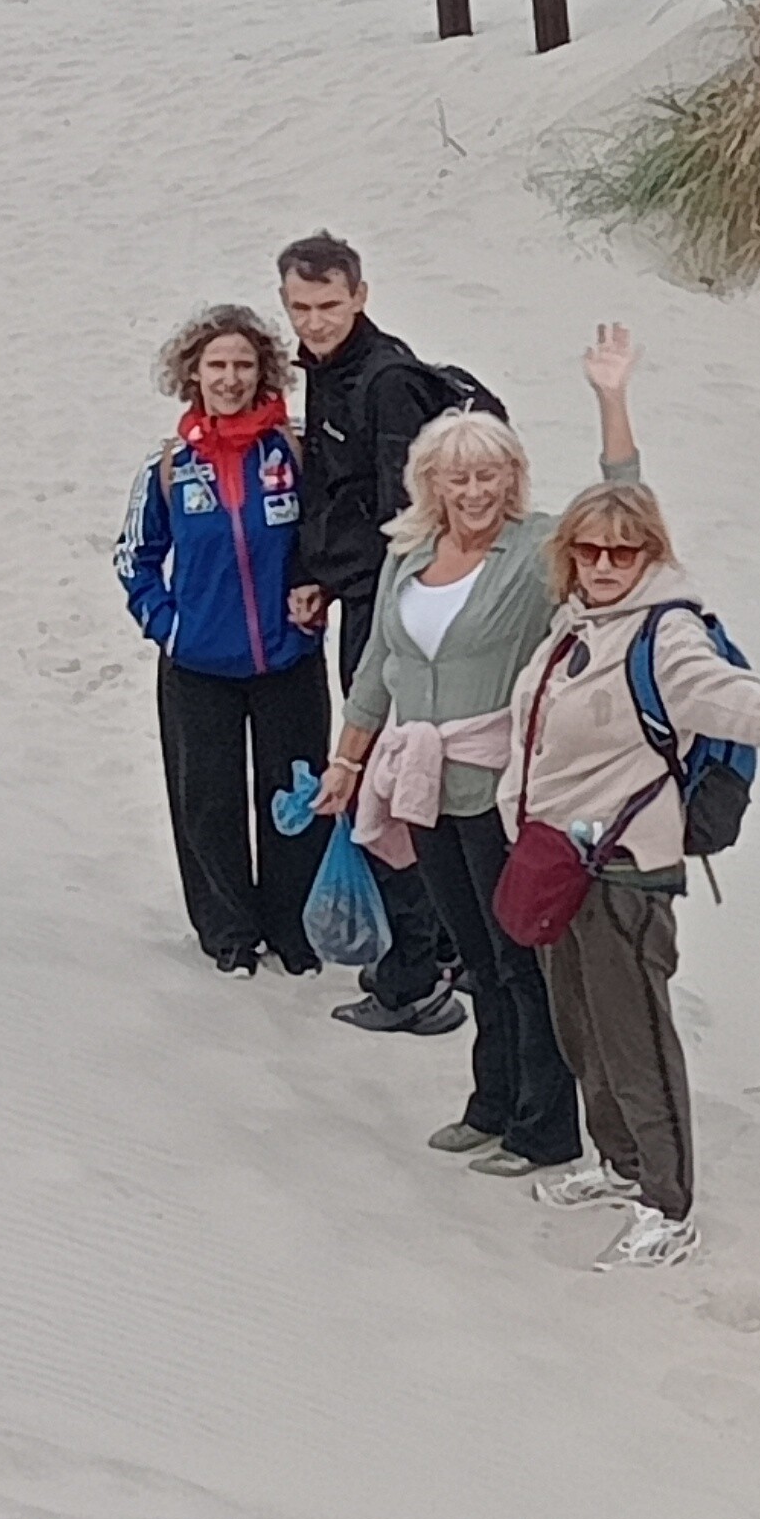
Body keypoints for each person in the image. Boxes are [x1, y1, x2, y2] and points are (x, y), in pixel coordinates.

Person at [497, 475, 760, 1270]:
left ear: (650, 555)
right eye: (589, 549)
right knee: (581, 1028)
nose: (604, 564)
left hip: (623, 868)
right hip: (559, 862)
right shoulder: (575, 624)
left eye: (623, 552)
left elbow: (715, 692)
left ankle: (667, 1206)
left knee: (637, 1043)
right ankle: (619, 1163)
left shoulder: (665, 632)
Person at [313, 328, 643, 1177]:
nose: (474, 491)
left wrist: (611, 399)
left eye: (489, 475)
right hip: (423, 787)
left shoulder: (537, 552)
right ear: (431, 482)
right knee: (476, 960)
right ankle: (489, 1105)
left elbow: (625, 515)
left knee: (521, 959)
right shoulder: (409, 554)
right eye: (458, 477)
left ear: (512, 478)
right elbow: (379, 666)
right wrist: (346, 764)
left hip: (503, 791)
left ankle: (545, 1129)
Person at [276, 232, 468, 1036]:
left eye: (328, 305)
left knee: (382, 781)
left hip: (396, 615)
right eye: (300, 307)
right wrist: (318, 571)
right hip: (363, 598)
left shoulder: (386, 382)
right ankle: (443, 951)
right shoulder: (327, 370)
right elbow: (340, 492)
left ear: (360, 296)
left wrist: (387, 624)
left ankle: (413, 978)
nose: (314, 322)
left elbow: (407, 522)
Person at [115, 305, 329, 977]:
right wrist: (168, 625)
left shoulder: (295, 452)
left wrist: (317, 591)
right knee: (208, 802)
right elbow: (134, 557)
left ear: (263, 371)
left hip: (288, 658)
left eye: (243, 364)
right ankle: (227, 930)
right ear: (194, 374)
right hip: (198, 666)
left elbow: (330, 539)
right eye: (217, 365)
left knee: (295, 795)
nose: (231, 378)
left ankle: (294, 928)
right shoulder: (169, 466)